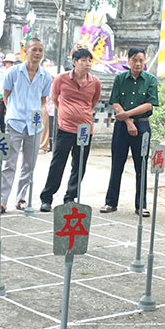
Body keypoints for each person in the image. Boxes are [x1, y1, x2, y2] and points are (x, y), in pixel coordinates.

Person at [39, 48, 101, 211]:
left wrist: (81, 113)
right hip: (65, 128)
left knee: (79, 165)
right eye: (84, 60)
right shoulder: (61, 79)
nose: (88, 64)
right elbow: (54, 97)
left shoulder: (95, 82)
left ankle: (70, 196)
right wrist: (66, 112)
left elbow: (93, 102)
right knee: (57, 163)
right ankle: (47, 197)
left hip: (85, 130)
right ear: (74, 62)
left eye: (90, 61)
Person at [0, 38, 52, 214]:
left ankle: (21, 198)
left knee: (29, 164)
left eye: (40, 50)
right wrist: (11, 113)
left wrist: (37, 113)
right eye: (34, 49)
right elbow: (6, 95)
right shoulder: (13, 72)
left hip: (34, 125)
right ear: (26, 51)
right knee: (8, 163)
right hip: (15, 122)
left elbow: (43, 101)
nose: (37, 54)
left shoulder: (45, 76)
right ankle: (1, 201)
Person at [101, 47, 159, 216]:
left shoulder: (150, 79)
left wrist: (129, 115)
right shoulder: (120, 78)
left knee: (141, 166)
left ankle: (141, 205)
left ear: (145, 60)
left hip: (142, 126)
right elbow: (115, 102)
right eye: (134, 60)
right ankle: (110, 202)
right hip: (121, 126)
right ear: (128, 60)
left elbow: (149, 104)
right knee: (117, 164)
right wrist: (127, 121)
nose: (138, 63)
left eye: (141, 60)